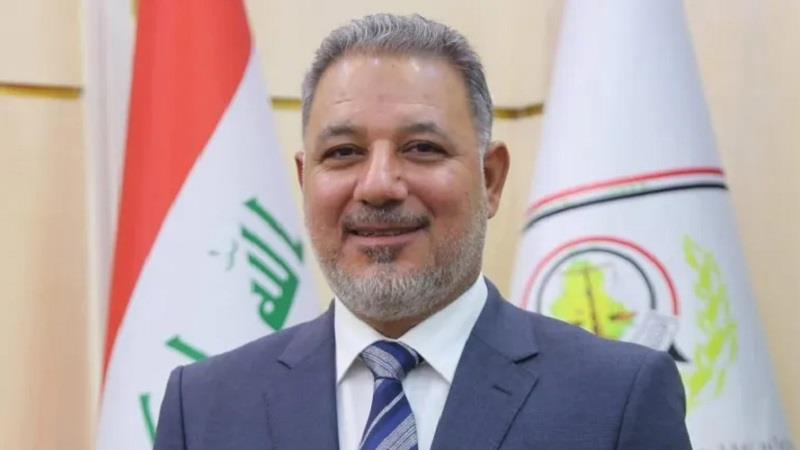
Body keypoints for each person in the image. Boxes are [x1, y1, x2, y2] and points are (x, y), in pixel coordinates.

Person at [154, 13, 692, 450]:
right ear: (304, 180)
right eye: (343, 153)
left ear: (490, 178)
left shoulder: (615, 398)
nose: (378, 185)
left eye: (422, 148)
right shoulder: (204, 407)